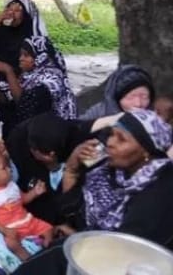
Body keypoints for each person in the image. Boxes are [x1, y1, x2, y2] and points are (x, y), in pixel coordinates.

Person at [12, 110, 173, 275]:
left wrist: (80, 237)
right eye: (111, 134)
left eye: (121, 139)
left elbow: (126, 252)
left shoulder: (160, 191)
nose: (110, 142)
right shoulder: (103, 160)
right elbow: (65, 209)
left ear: (146, 151)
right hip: (80, 244)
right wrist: (71, 169)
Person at [0, 151, 53, 261]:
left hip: (28, 221)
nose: (9, 169)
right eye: (4, 168)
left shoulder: (12, 185)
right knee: (11, 243)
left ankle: (48, 245)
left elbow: (23, 199)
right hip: (11, 228)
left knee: (48, 228)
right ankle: (25, 256)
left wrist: (35, 193)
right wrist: (4, 230)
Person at [0, 36, 77, 132]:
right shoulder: (29, 76)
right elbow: (7, 96)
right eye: (21, 55)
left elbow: (23, 102)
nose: (20, 59)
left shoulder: (51, 81)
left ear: (40, 58)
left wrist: (8, 71)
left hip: (50, 132)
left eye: (26, 55)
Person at [80, 64, 155, 120]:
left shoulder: (157, 120)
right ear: (117, 98)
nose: (138, 104)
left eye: (144, 97)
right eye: (131, 97)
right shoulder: (98, 114)